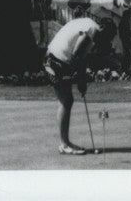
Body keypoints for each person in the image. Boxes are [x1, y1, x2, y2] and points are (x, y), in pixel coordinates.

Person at [45, 13, 116, 155]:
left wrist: (80, 78)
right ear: (103, 29)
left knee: (65, 101)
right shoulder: (93, 30)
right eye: (107, 36)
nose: (104, 40)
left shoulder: (87, 22)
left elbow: (79, 56)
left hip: (52, 56)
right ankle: (64, 144)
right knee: (66, 101)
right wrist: (81, 79)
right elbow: (77, 54)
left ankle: (64, 143)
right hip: (58, 60)